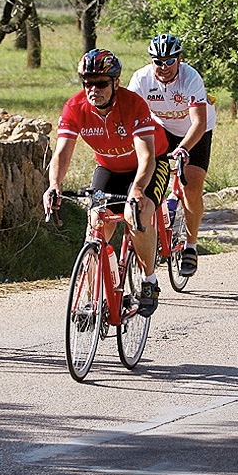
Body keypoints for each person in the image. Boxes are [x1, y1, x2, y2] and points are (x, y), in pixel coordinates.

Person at [43, 49, 169, 315]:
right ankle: (92, 298)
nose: (93, 89)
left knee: (139, 213)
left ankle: (149, 281)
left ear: (116, 83)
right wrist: (54, 184)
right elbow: (62, 153)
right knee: (95, 227)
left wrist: (136, 190)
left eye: (101, 83)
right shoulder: (75, 107)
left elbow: (147, 156)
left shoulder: (133, 104)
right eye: (87, 83)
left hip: (147, 166)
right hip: (109, 167)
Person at [126, 33, 216, 277]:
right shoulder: (142, 78)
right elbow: (129, 115)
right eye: (158, 61)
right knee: (146, 175)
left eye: (169, 61)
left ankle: (191, 244)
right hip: (162, 129)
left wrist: (185, 148)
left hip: (195, 132)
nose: (163, 67)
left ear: (179, 59)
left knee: (191, 187)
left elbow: (198, 122)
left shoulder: (190, 78)